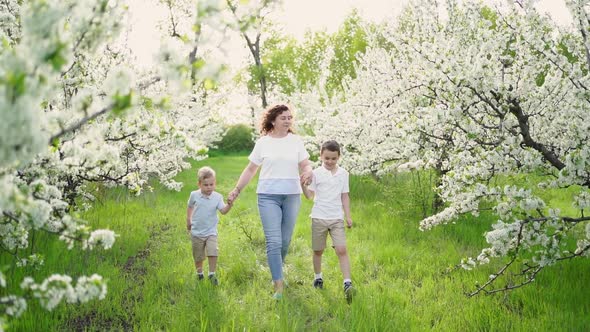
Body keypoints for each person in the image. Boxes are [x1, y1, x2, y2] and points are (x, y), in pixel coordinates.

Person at [227, 104, 312, 300]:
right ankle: (278, 285)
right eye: (283, 117)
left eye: (290, 117)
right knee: (273, 241)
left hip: (292, 195)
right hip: (267, 196)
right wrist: (237, 190)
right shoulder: (263, 143)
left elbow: (305, 164)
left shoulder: (296, 141)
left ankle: (277, 272)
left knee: (284, 241)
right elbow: (250, 169)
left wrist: (307, 171)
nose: (288, 120)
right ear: (273, 120)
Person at [301, 140, 355, 303]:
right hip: (319, 217)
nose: (330, 162)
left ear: (339, 157)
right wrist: (302, 184)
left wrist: (348, 216)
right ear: (321, 156)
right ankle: (318, 277)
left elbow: (345, 196)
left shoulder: (343, 174)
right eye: (327, 158)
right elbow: (310, 196)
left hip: (336, 218)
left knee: (341, 249)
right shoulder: (316, 173)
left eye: (333, 158)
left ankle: (347, 283)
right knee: (318, 250)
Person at [187, 166, 233, 285]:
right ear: (199, 184)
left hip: (211, 232)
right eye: (206, 185)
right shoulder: (194, 195)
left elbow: (223, 211)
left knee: (213, 252)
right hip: (196, 232)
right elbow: (190, 206)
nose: (209, 188)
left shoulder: (217, 197)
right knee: (198, 256)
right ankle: (199, 274)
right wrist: (188, 220)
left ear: (215, 183)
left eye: (211, 184)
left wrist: (229, 205)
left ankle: (212, 274)